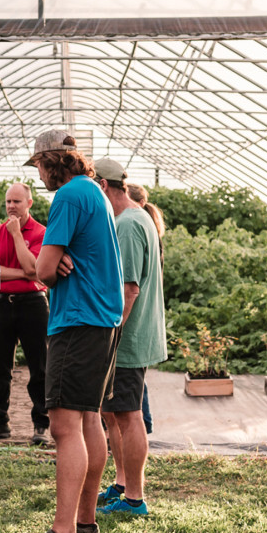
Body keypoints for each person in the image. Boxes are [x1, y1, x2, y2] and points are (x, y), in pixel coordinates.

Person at [8, 131, 123, 533]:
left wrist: (53, 263)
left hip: (77, 321)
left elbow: (43, 270)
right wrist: (57, 260)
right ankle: (86, 522)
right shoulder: (93, 192)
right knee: (89, 418)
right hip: (103, 321)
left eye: (38, 165)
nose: (37, 175)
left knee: (63, 426)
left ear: (54, 161)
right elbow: (55, 263)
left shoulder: (69, 197)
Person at [93, 162, 167, 517]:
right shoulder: (137, 219)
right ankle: (122, 484)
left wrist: (110, 334)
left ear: (105, 186)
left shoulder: (128, 224)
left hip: (128, 338)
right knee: (114, 412)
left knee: (128, 414)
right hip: (130, 336)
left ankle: (134, 498)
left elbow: (130, 289)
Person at [0, 182, 51, 446]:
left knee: (39, 367)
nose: (11, 207)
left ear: (29, 204)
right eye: (8, 201)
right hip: (1, 303)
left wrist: (18, 235)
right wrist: (25, 273)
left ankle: (41, 424)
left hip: (33, 303)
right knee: (0, 367)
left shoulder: (42, 232)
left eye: (17, 202)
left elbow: (36, 269)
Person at [124, 182, 163, 436]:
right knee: (136, 389)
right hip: (146, 323)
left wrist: (114, 328)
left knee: (131, 405)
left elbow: (131, 288)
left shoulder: (131, 227)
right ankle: (144, 423)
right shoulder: (148, 226)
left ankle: (144, 424)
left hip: (134, 326)